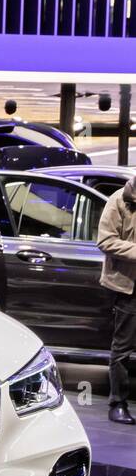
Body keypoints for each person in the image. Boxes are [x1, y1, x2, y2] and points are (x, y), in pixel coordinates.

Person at [96, 174, 136, 425]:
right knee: (122, 348)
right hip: (128, 286)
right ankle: (117, 402)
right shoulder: (118, 202)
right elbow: (106, 240)